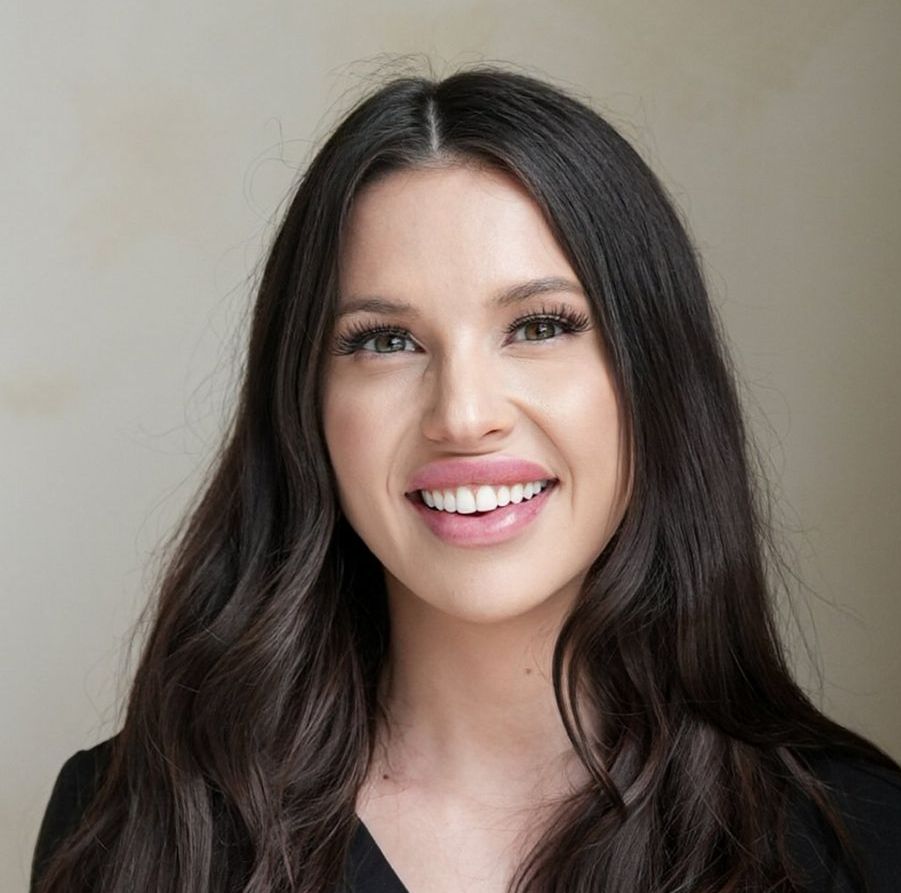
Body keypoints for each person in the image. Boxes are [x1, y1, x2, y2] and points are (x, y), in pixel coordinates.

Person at [31, 65, 901, 893]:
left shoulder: (854, 835)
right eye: (385, 340)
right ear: (304, 403)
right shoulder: (135, 820)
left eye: (539, 325)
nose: (463, 413)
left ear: (654, 376)